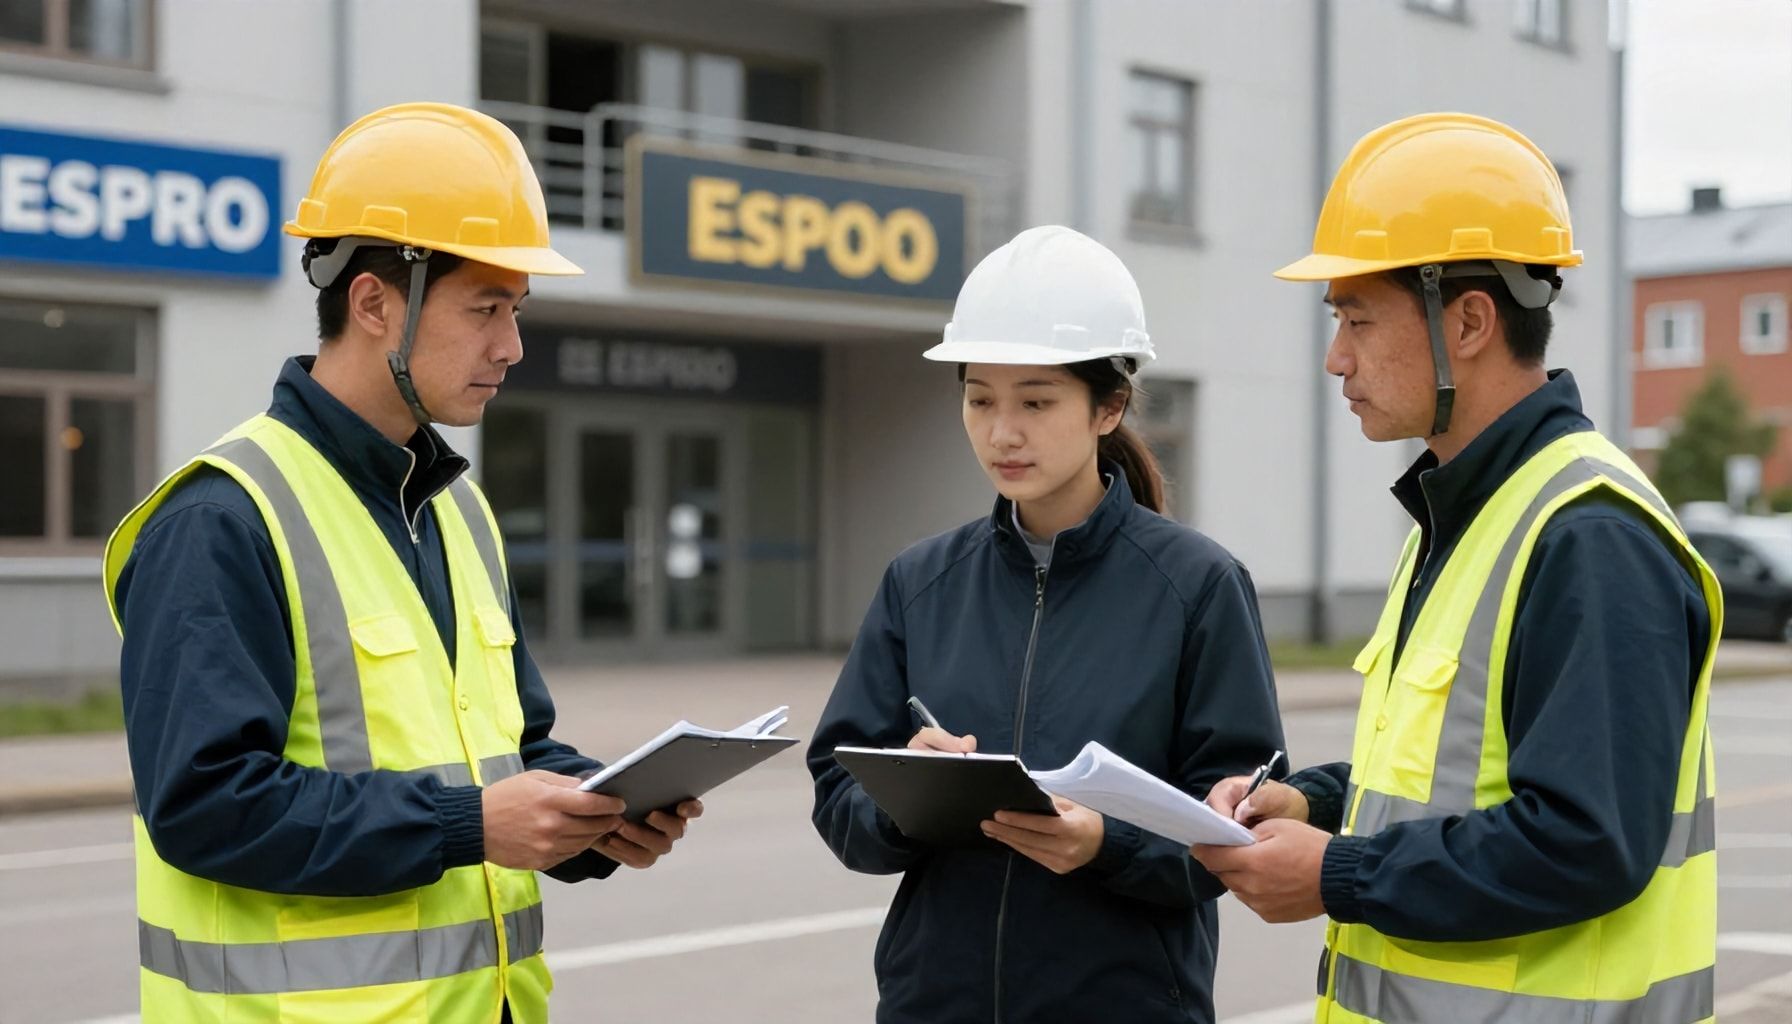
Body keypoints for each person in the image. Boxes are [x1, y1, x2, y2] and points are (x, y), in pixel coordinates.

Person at [104, 102, 702, 1023]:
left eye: (516, 310)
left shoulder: (459, 509)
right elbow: (204, 806)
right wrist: (471, 823)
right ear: (375, 304)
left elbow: (510, 748)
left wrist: (595, 810)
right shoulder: (223, 518)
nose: (512, 346)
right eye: (486, 308)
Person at [1191, 113, 1722, 1024]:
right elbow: (1450, 785)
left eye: (1357, 319)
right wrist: (1314, 803)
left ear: (1469, 321)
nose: (1337, 358)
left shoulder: (1588, 536)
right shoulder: (1468, 513)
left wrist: (1339, 873)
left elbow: (1586, 841)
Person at [808, 225, 1286, 1023]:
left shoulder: (1198, 587)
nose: (1003, 432)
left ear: (1109, 406)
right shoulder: (920, 583)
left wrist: (1107, 845)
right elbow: (838, 792)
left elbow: (1239, 824)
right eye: (980, 399)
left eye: (1035, 401)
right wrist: (904, 797)